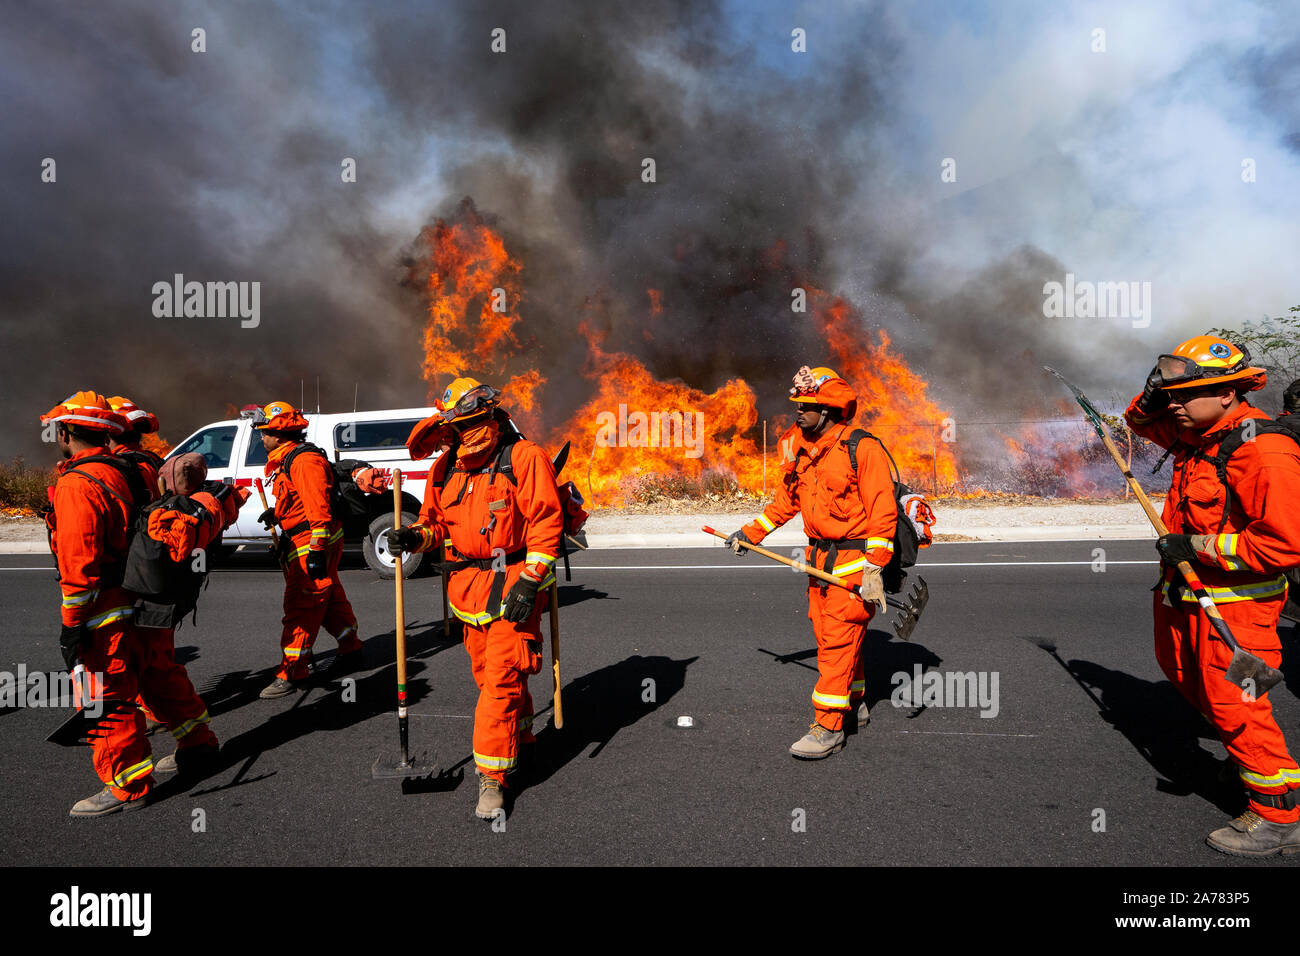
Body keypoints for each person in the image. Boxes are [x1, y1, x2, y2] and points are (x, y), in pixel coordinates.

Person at [1126, 335, 1300, 856]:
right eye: (1171, 394)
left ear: (1228, 393)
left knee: (1237, 702)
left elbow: (1283, 545)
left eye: (1186, 393)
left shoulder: (1262, 449)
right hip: (1185, 597)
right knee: (1181, 673)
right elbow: (1139, 422)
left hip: (1237, 606)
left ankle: (1281, 815)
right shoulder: (1194, 435)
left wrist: (1196, 546)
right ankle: (1246, 754)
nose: (1173, 404)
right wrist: (1155, 389)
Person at [389, 378, 562, 819]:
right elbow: (439, 528)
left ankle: (493, 778)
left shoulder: (524, 458)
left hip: (517, 583)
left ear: (489, 416)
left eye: (469, 423)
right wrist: (413, 536)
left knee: (501, 681)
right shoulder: (444, 469)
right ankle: (521, 739)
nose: (461, 435)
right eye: (455, 427)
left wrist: (532, 580)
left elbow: (546, 524)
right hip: (467, 590)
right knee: (488, 677)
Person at [725, 366, 897, 759]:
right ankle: (854, 706)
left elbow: (882, 509)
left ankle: (827, 728)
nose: (797, 412)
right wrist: (750, 533)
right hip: (818, 559)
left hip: (854, 563)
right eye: (798, 405)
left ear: (829, 409)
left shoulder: (862, 448)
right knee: (827, 636)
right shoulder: (805, 449)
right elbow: (787, 502)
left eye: (806, 406)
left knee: (838, 640)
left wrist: (875, 565)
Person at [41, 391, 155, 816]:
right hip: (131, 597)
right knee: (123, 689)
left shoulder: (76, 484)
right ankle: (136, 774)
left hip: (99, 610)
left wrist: (72, 625)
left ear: (68, 431)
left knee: (101, 695)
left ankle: (125, 786)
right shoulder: (121, 470)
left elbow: (78, 568)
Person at [131, 453, 249, 774]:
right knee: (158, 662)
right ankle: (166, 718)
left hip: (160, 599)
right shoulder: (209, 501)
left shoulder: (183, 512)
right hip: (174, 597)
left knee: (157, 667)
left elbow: (167, 546)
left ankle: (198, 742)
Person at [252, 401, 364, 699]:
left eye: (263, 432)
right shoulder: (289, 458)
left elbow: (319, 509)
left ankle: (292, 672)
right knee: (328, 597)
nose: (260, 438)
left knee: (302, 604)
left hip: (312, 541)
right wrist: (278, 514)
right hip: (305, 538)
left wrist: (315, 552)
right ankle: (351, 647)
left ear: (278, 433)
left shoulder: (302, 461)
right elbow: (299, 499)